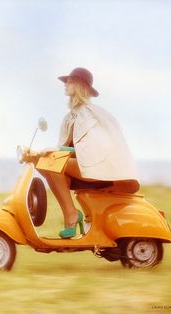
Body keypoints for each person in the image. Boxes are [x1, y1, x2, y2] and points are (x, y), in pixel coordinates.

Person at [42, 67, 139, 239]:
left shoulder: (89, 113)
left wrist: (58, 150)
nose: (66, 84)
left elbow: (91, 150)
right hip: (84, 167)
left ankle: (71, 216)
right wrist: (51, 151)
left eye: (70, 81)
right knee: (45, 163)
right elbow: (67, 150)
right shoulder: (70, 116)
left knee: (50, 162)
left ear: (80, 85)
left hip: (99, 169)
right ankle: (71, 214)